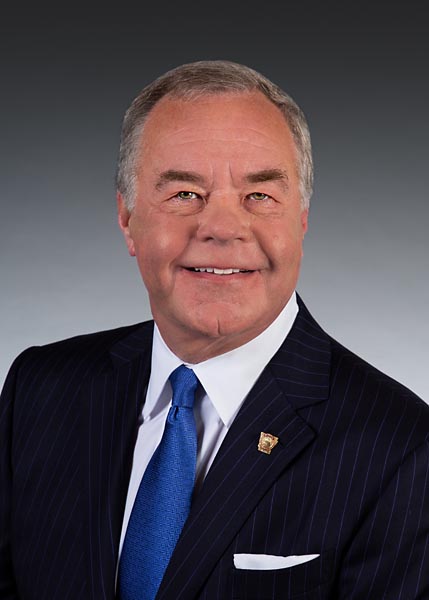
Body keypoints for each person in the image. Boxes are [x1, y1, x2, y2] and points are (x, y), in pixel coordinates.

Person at [0, 60, 428, 600]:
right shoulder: (39, 389)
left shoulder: (402, 449)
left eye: (259, 196)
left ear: (301, 220)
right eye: (185, 194)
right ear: (128, 219)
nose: (223, 229)